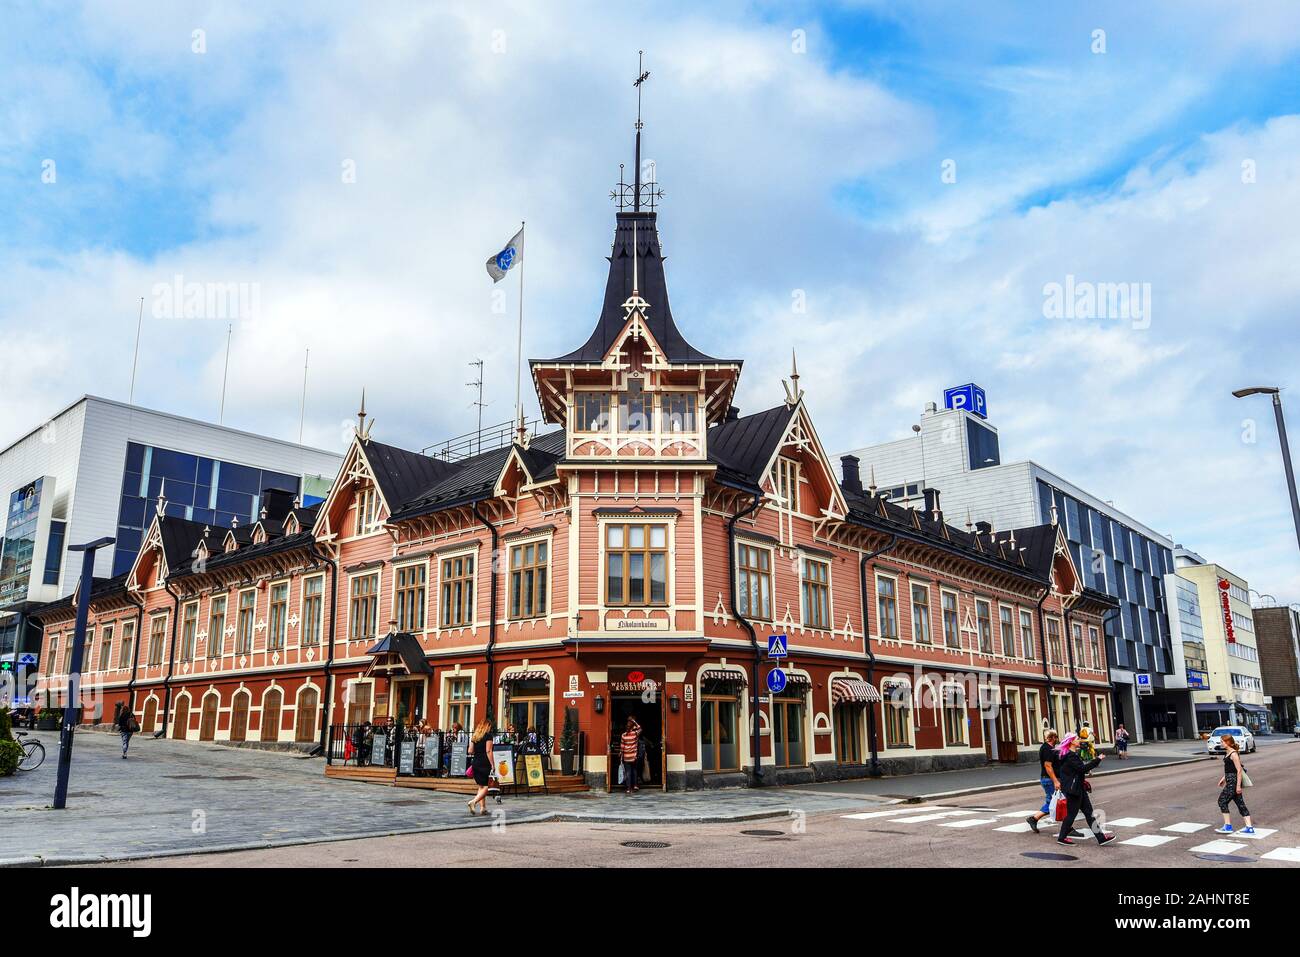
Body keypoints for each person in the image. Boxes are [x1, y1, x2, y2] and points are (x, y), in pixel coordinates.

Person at [1055, 732, 1117, 847]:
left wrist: (1083, 772)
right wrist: (1097, 759)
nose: (1079, 740)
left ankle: (1101, 838)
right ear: (1072, 741)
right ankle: (1062, 838)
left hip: (1079, 788)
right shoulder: (1070, 755)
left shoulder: (1072, 754)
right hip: (1074, 790)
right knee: (1071, 815)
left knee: (1089, 814)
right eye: (1077, 739)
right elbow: (1081, 769)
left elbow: (1077, 770)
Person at [1214, 734, 1256, 835]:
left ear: (1228, 742)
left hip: (1233, 782)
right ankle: (1249, 827)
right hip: (1230, 780)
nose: (1221, 743)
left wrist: (1237, 786)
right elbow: (1229, 769)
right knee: (1240, 804)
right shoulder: (1227, 753)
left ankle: (1228, 826)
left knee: (1222, 801)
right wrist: (1223, 778)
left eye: (1222, 741)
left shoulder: (1233, 754)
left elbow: (1239, 770)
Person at [1026, 729, 1062, 833]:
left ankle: (1034, 819)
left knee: (1052, 802)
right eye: (1056, 737)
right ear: (1053, 737)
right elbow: (1048, 765)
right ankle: (1067, 828)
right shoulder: (1047, 749)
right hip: (1049, 780)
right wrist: (1055, 780)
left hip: (1049, 779)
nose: (1057, 739)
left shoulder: (1050, 748)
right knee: (1056, 803)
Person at [467, 719, 494, 815]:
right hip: (484, 763)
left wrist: (478, 750)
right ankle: (473, 802)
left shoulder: (474, 737)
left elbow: (470, 751)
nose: (490, 729)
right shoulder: (488, 736)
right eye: (490, 727)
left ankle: (483, 808)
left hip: (476, 762)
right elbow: (488, 751)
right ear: (487, 726)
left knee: (481, 786)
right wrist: (492, 764)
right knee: (488, 786)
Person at [620, 716, 641, 794]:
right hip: (634, 756)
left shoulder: (623, 735)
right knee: (634, 770)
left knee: (628, 772)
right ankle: (635, 785)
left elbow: (622, 747)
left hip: (626, 756)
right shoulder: (635, 734)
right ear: (632, 727)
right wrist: (633, 721)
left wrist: (621, 756)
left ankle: (628, 789)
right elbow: (640, 728)